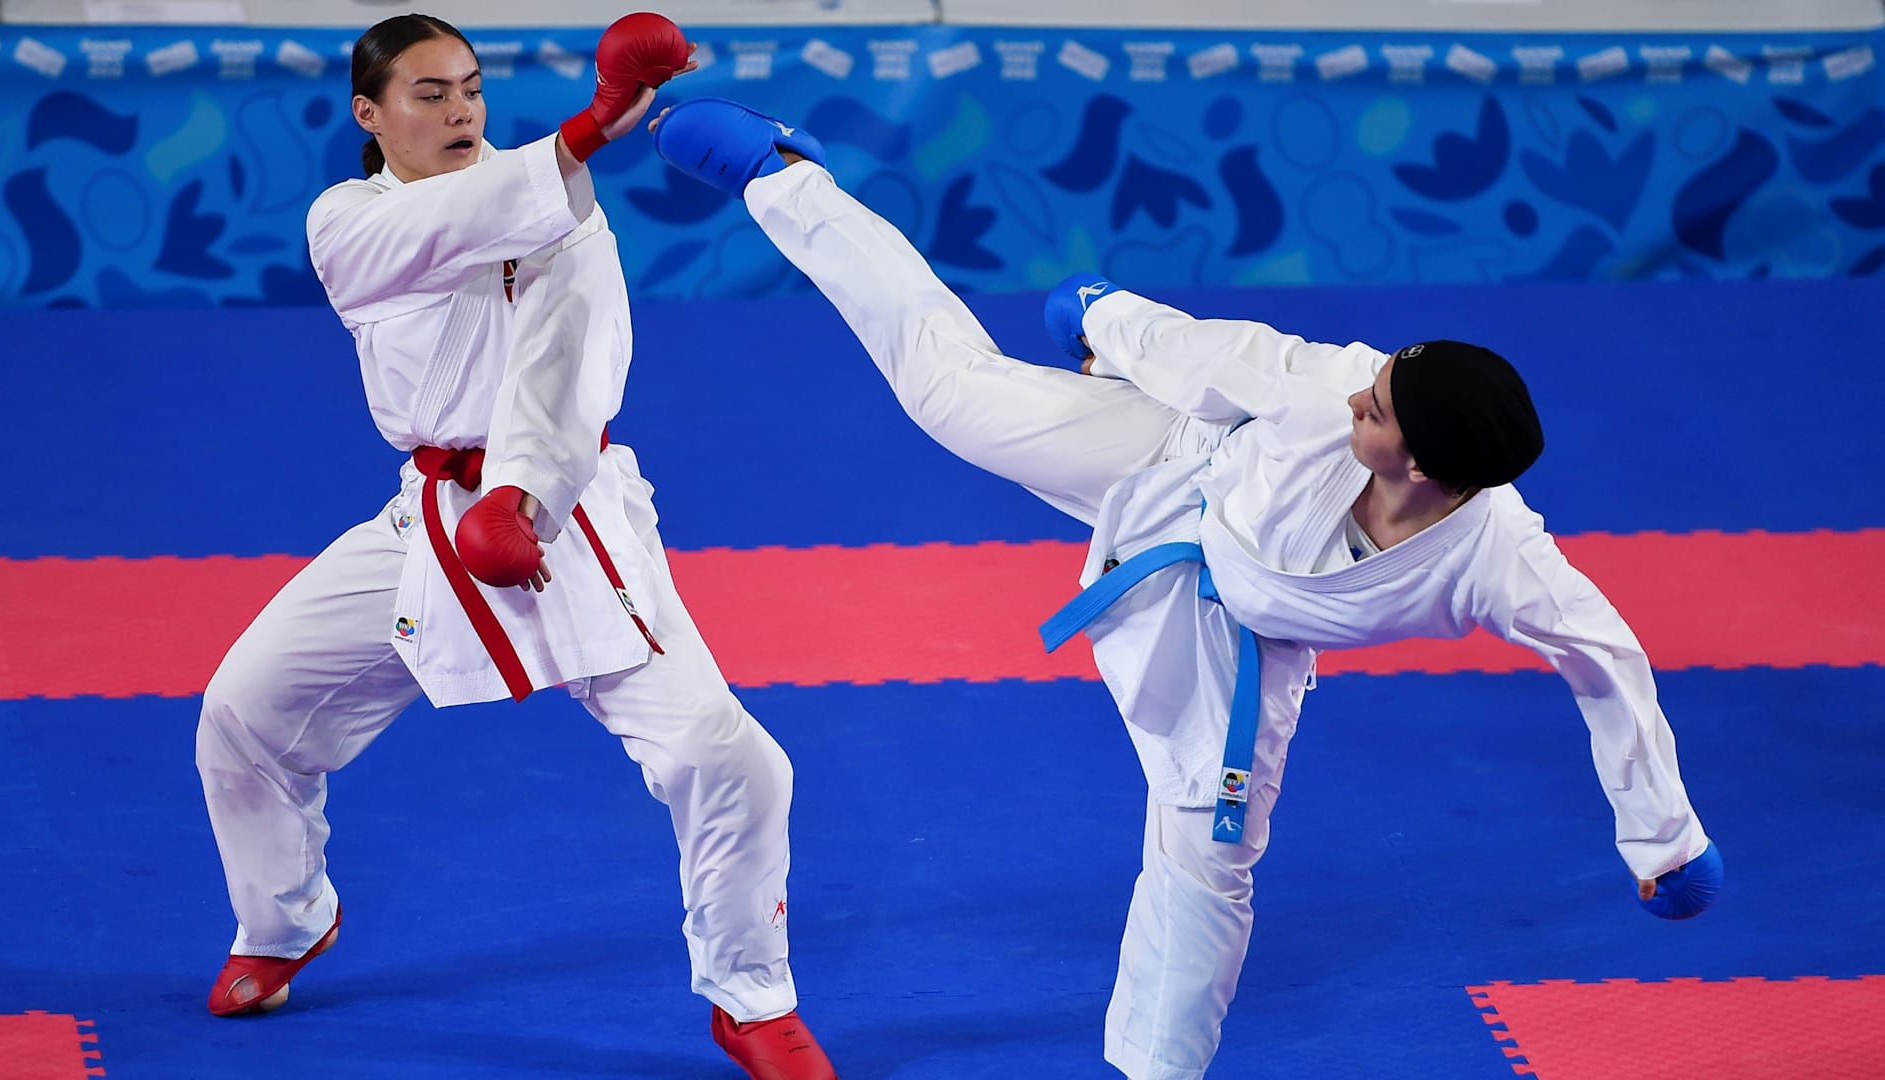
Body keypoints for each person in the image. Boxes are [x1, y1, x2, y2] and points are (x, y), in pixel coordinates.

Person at [644, 97, 1722, 1080]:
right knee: (946, 394)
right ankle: (784, 174)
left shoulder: (1504, 561)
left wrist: (1663, 838)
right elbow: (1220, 351)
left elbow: (1606, 663)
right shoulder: (1320, 394)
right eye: (1378, 376)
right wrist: (1107, 318)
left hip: (1243, 634)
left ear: (1427, 469)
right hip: (1171, 462)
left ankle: (1155, 1071)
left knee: (1208, 849)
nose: (1358, 389)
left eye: (1379, 408)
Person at [193, 21, 836, 1079]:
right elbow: (435, 233)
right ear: (369, 114)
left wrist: (525, 493)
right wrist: (584, 129)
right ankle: (283, 919)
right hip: (425, 518)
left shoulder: (562, 211)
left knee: (729, 759)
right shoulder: (348, 219)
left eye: (473, 92)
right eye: (430, 94)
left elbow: (572, 361)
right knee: (244, 712)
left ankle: (751, 997)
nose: (459, 112)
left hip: (567, 518)